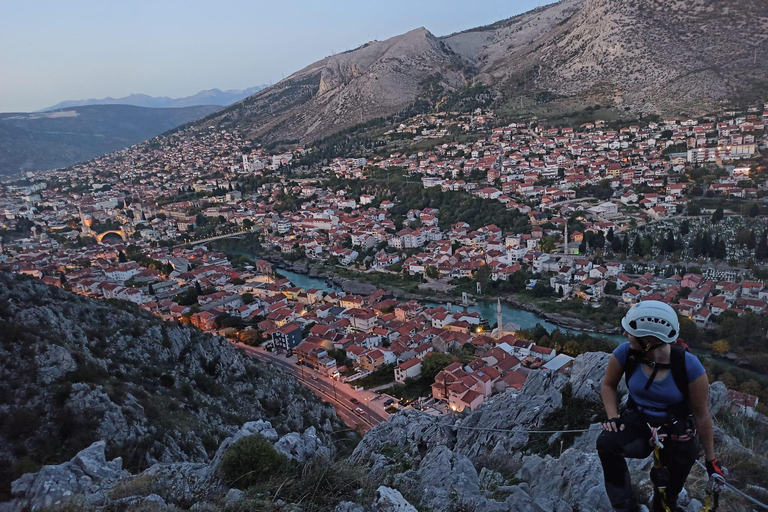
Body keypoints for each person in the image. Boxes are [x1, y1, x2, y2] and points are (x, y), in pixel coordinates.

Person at [596, 300, 725, 512]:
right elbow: (608, 386)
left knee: (668, 494)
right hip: (637, 423)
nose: (626, 336)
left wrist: (712, 462)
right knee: (607, 443)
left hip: (674, 432)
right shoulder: (625, 354)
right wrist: (613, 417)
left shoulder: (689, 367)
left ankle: (662, 505)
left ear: (648, 341)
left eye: (630, 333)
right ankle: (625, 507)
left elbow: (701, 415)